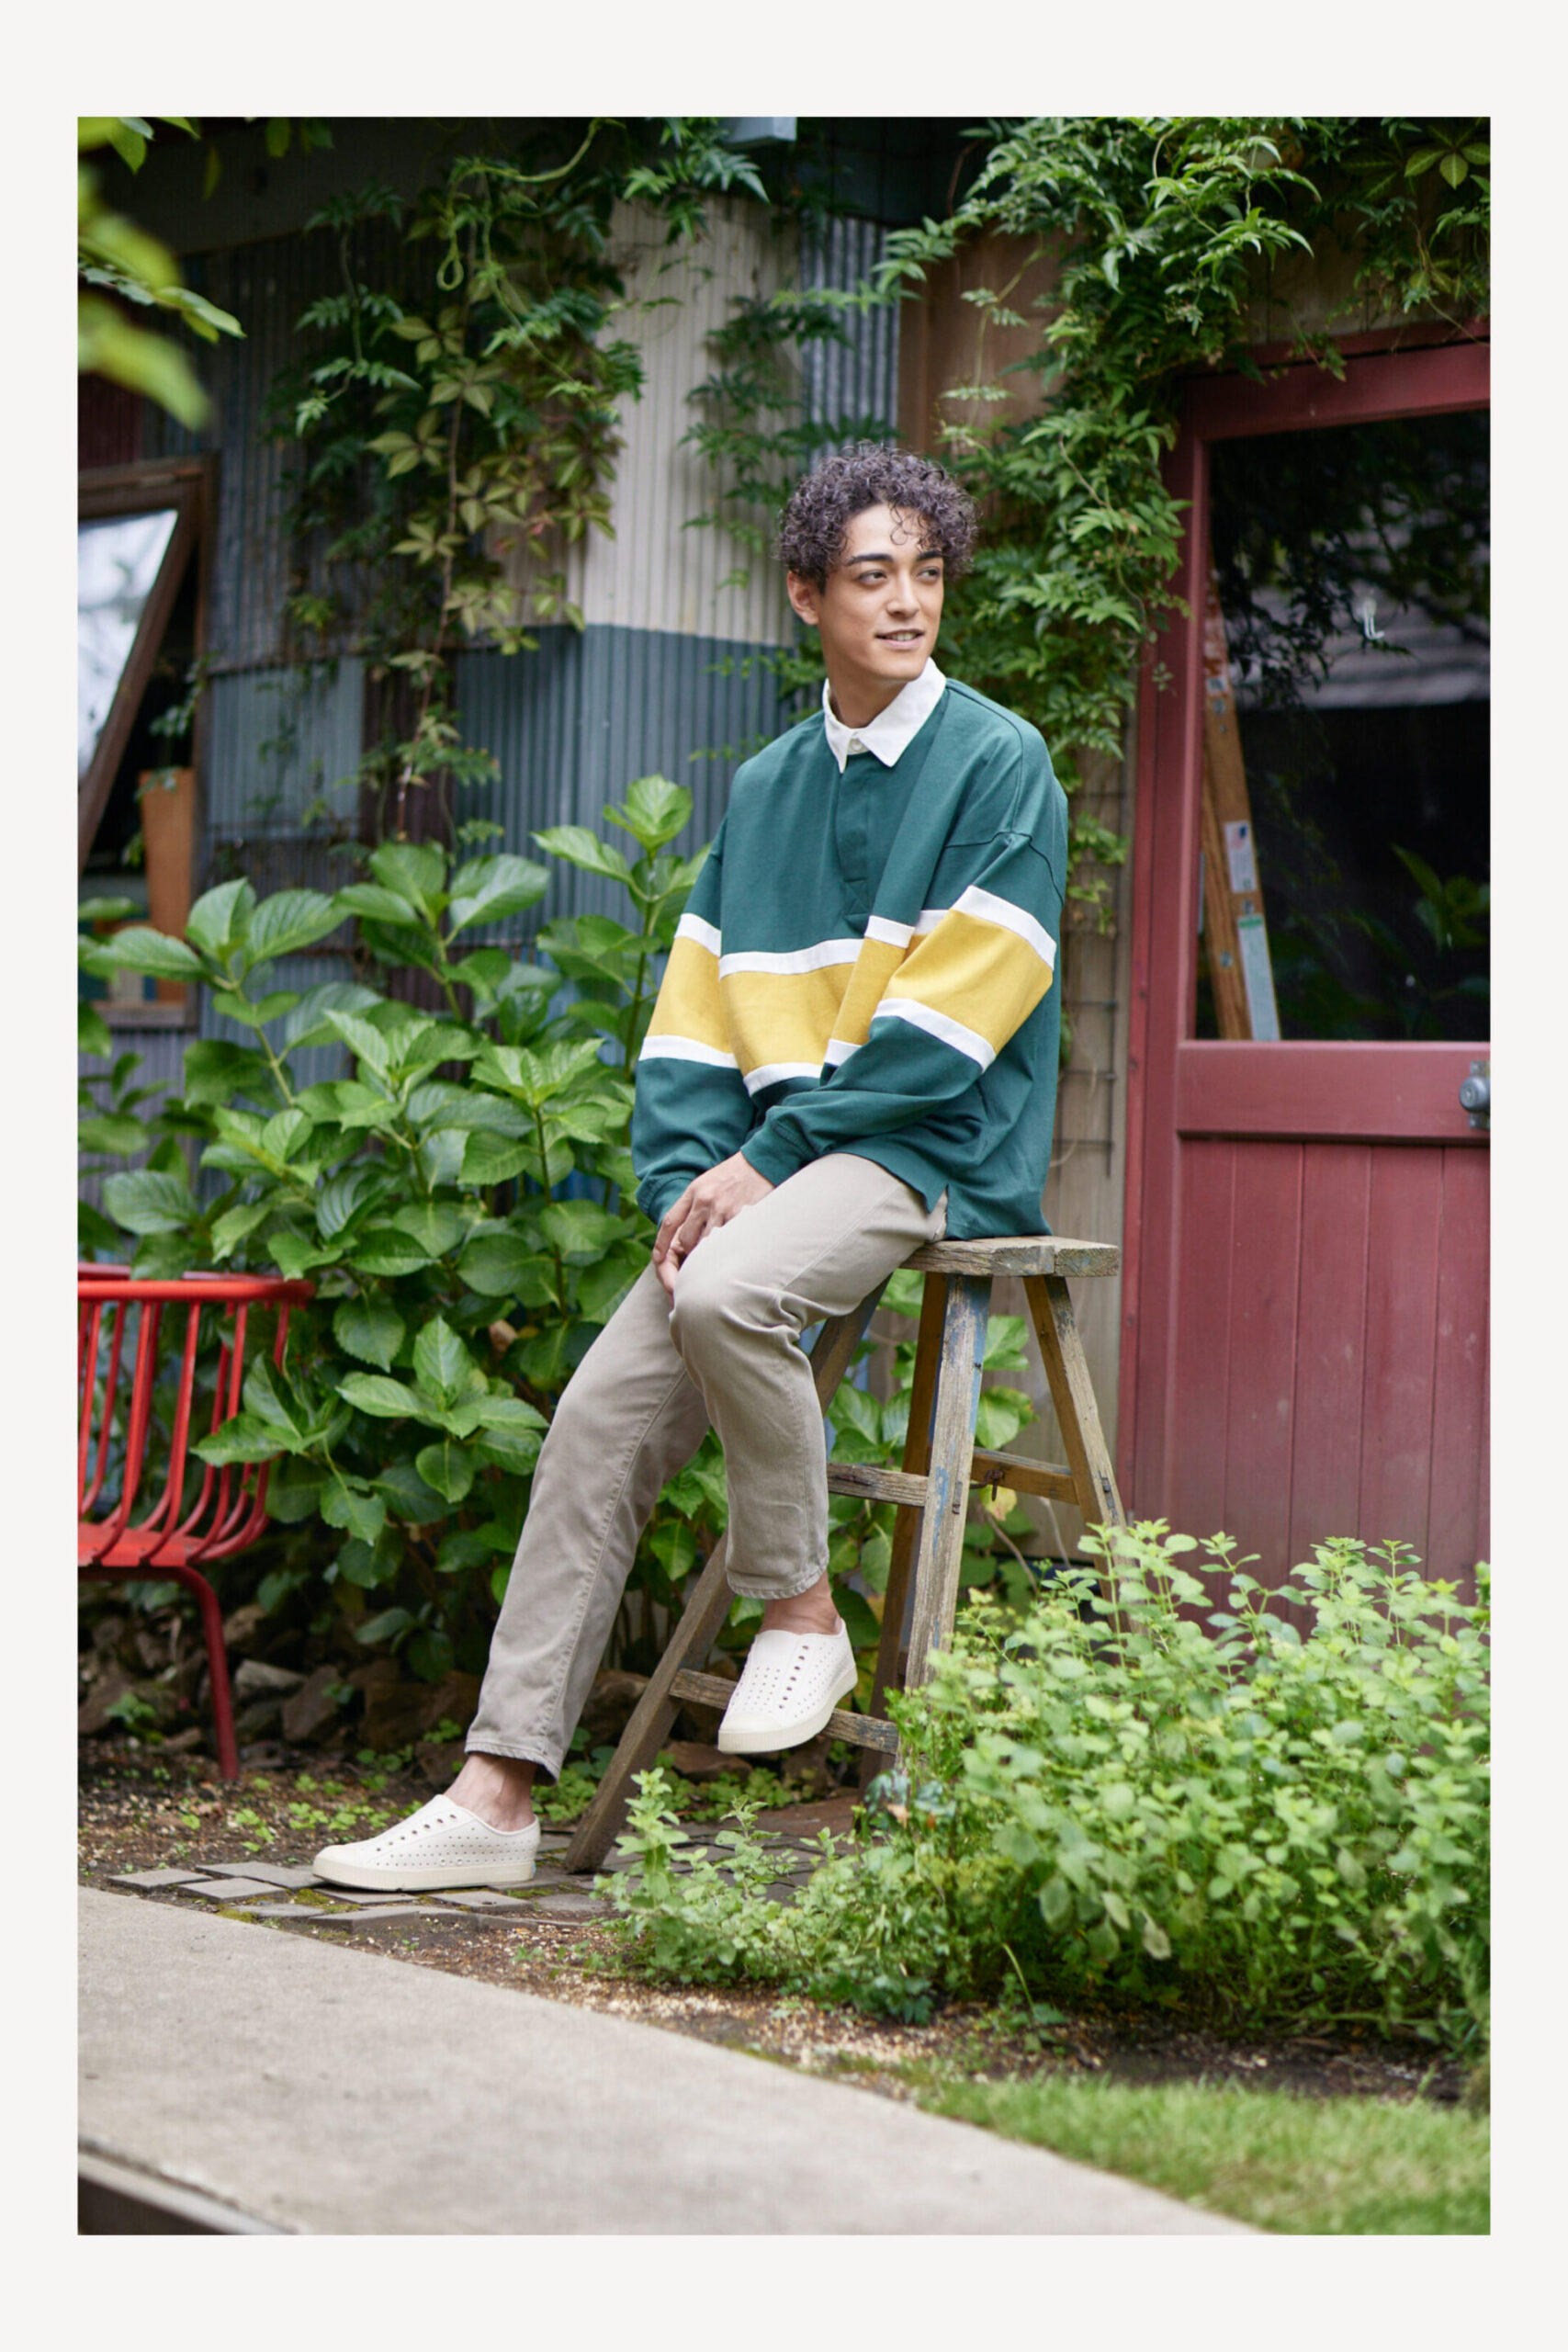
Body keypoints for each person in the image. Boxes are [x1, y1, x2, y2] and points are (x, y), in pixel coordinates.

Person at [313, 443, 1068, 1892]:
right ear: (805, 595)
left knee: (728, 1297)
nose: (907, 602)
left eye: (927, 572)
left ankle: (802, 1612)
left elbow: (949, 1034)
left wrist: (763, 1161)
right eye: (872, 575)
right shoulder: (770, 787)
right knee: (597, 1417)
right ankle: (496, 1799)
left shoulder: (999, 761)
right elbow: (692, 1019)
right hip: (776, 1169)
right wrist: (683, 1185)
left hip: (925, 1142)